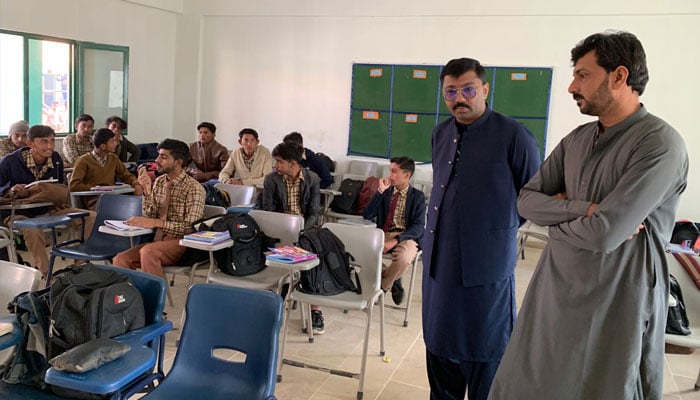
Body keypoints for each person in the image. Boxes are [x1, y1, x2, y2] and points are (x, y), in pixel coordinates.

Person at [488, 31, 689, 400]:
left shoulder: (660, 144)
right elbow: (526, 202)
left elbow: (605, 234)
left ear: (619, 76)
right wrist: (584, 209)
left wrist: (555, 223)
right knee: (530, 381)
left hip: (617, 299)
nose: (571, 86)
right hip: (555, 289)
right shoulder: (576, 140)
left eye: (583, 75)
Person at [422, 57, 540, 400]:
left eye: (468, 89)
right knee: (439, 345)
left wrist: (491, 232)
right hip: (439, 264)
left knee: (486, 350)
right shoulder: (440, 133)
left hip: (486, 267)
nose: (460, 98)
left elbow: (530, 198)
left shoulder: (513, 135)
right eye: (451, 92)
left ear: (485, 89)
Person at [0, 125, 95, 276]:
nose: (50, 146)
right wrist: (10, 190)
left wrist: (57, 201)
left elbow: (60, 185)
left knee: (89, 216)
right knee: (33, 228)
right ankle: (43, 273)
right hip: (16, 213)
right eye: (44, 142)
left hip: (47, 209)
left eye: (51, 141)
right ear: (30, 144)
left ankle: (80, 261)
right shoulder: (9, 161)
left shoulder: (56, 159)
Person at [112, 139, 204, 278]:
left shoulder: (194, 188)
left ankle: (154, 298)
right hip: (158, 240)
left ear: (178, 162)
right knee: (120, 259)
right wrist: (147, 191)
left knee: (148, 252)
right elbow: (150, 215)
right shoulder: (160, 182)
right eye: (158, 155)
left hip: (184, 242)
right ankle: (131, 297)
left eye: (163, 157)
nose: (157, 160)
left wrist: (157, 223)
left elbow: (190, 227)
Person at [262, 142, 324, 332]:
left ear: (293, 163)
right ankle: (277, 299)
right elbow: (268, 211)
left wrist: (301, 229)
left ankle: (315, 309)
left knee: (315, 254)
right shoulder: (272, 180)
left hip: (306, 228)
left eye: (279, 162)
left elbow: (315, 211)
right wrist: (285, 229)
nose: (275, 166)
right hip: (279, 229)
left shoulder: (312, 179)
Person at [362, 156, 424, 305]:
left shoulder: (417, 197)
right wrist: (379, 192)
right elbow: (367, 215)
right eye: (390, 171)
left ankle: (382, 288)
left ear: (407, 175)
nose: (390, 175)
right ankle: (394, 279)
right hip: (383, 233)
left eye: (394, 172)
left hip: (406, 236)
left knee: (403, 258)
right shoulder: (385, 192)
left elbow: (419, 226)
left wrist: (396, 241)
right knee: (360, 253)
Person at [69, 128, 144, 209]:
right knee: (119, 207)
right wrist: (95, 189)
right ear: (103, 146)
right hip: (94, 199)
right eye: (112, 141)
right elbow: (74, 185)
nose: (116, 143)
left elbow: (126, 175)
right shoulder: (83, 161)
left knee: (135, 204)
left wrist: (135, 184)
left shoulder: (113, 158)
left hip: (112, 196)